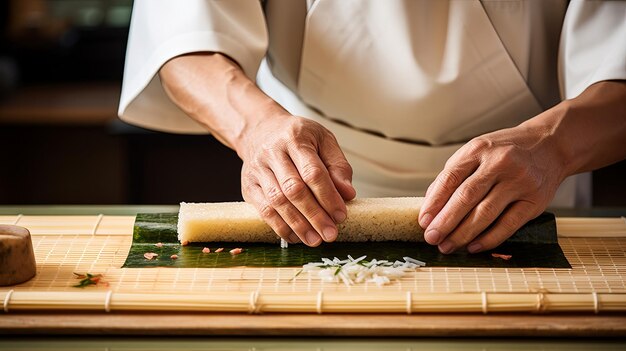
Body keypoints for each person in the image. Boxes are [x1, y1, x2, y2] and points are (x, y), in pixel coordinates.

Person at [119, 0, 626, 254]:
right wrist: (256, 127)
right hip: (313, 175)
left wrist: (554, 144)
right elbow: (185, 35)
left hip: (527, 184)